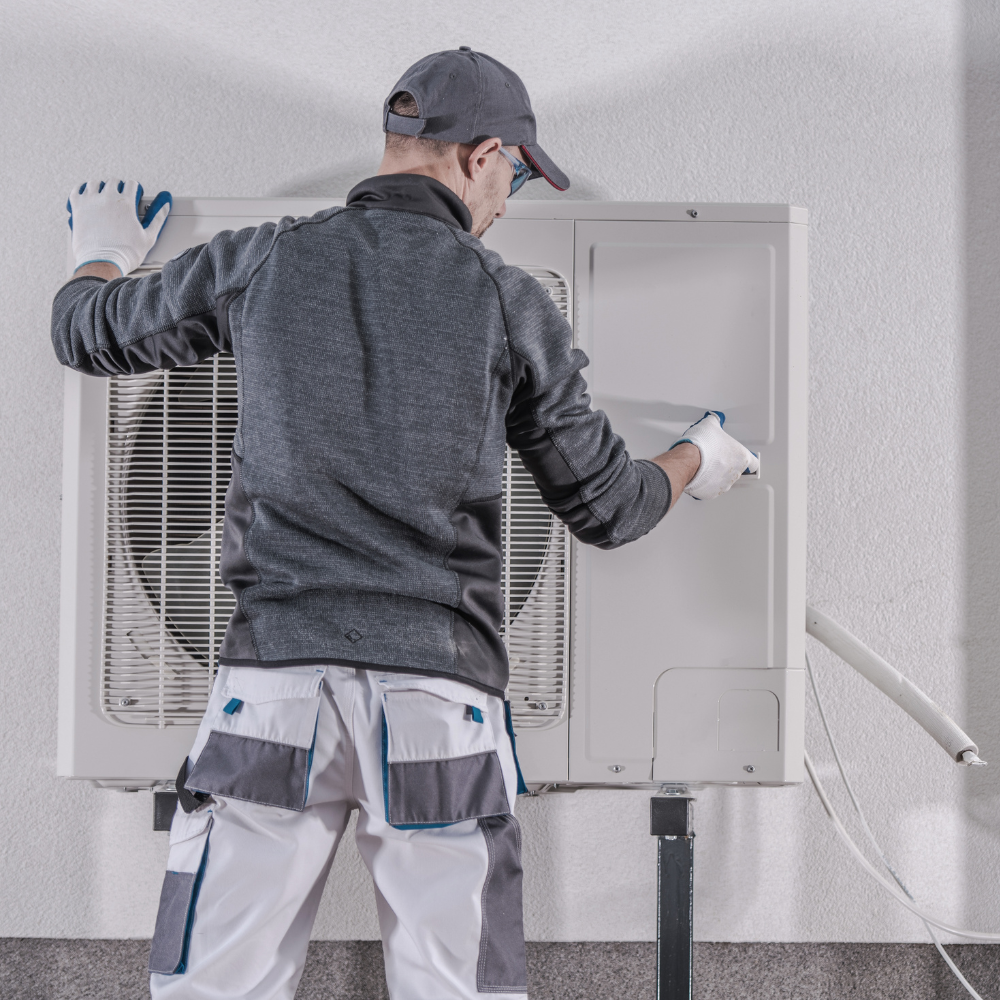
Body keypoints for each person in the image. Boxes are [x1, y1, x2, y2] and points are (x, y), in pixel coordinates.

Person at [51, 47, 757, 1000]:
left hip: (272, 691)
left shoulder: (263, 259)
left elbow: (86, 331)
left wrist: (100, 254)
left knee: (211, 987)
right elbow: (609, 507)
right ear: (483, 154)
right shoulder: (508, 300)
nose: (506, 201)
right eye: (515, 177)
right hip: (439, 705)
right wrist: (699, 459)